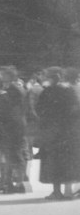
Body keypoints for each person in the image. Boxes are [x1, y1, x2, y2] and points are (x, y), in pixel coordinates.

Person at [36, 67, 80, 200]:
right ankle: (66, 190)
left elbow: (40, 109)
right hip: (67, 131)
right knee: (67, 161)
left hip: (54, 131)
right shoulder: (70, 90)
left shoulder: (48, 91)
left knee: (54, 162)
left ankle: (57, 191)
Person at [0, 66, 28, 194]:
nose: (2, 77)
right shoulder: (18, 89)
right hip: (18, 125)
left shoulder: (11, 90)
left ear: (9, 76)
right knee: (16, 154)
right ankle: (16, 183)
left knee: (11, 155)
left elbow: (6, 110)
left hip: (11, 127)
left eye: (3, 75)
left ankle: (14, 184)